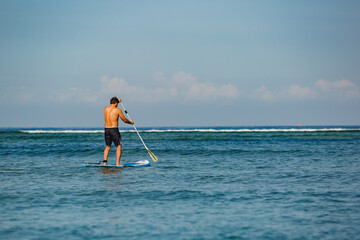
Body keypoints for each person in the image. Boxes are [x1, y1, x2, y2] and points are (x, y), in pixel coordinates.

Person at [103, 97, 134, 166]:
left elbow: (112, 106)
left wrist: (117, 102)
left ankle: (105, 163)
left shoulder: (105, 108)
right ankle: (117, 163)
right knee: (118, 146)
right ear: (116, 103)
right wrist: (130, 122)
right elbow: (124, 120)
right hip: (114, 129)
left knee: (107, 146)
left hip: (106, 129)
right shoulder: (117, 110)